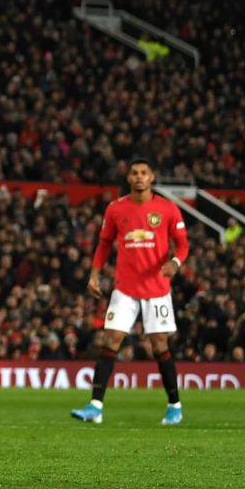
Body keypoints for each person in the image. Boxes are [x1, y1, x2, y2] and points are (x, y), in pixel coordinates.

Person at [71, 158, 189, 425]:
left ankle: (174, 406)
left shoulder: (167, 209)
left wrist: (175, 262)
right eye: (134, 173)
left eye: (143, 173)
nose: (139, 177)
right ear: (128, 178)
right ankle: (95, 407)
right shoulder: (115, 209)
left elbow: (182, 245)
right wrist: (94, 273)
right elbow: (103, 244)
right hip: (124, 288)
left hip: (157, 289)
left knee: (160, 346)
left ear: (152, 177)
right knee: (110, 340)